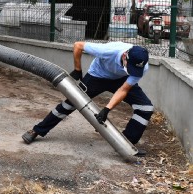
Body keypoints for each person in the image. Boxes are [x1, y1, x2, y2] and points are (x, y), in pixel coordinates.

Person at [22, 41, 153, 156]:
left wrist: (107, 109)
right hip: (97, 76)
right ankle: (37, 130)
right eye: (130, 67)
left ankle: (126, 143)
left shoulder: (141, 68)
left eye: (135, 70)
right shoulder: (109, 50)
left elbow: (123, 89)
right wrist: (77, 69)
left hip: (120, 80)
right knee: (70, 103)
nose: (132, 71)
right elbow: (78, 46)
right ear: (125, 56)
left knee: (146, 108)